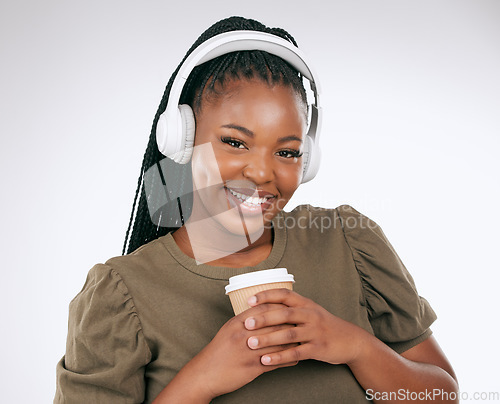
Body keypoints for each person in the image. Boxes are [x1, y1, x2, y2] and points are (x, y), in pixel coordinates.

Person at [55, 16, 459, 403]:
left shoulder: (349, 243)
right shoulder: (121, 294)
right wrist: (200, 381)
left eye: (287, 152)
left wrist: (354, 345)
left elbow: (442, 396)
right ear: (181, 138)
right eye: (234, 142)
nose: (263, 172)